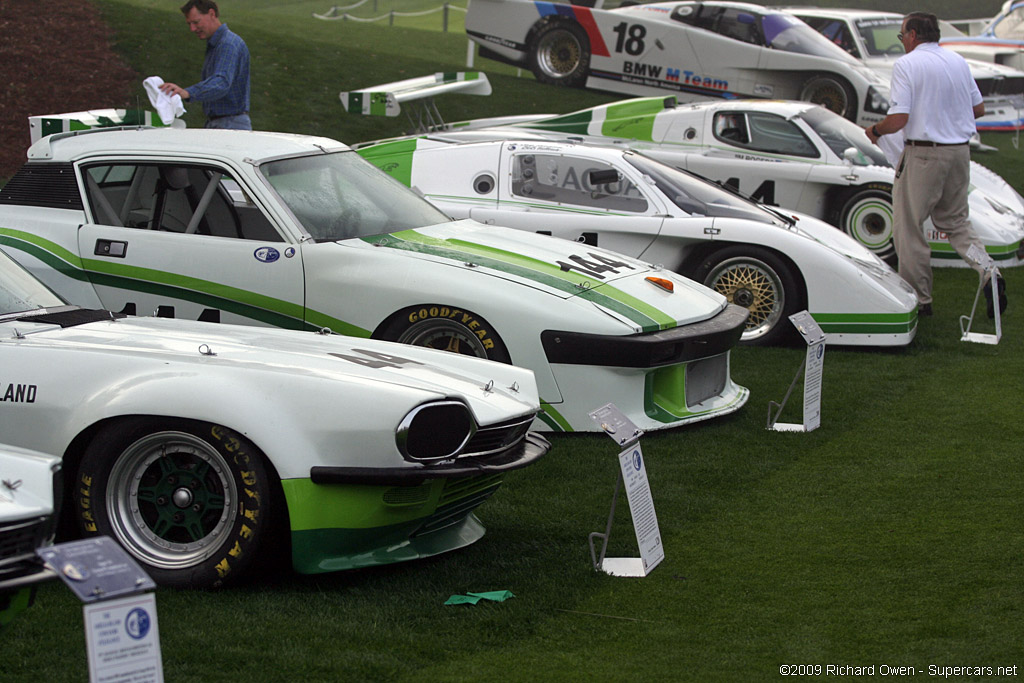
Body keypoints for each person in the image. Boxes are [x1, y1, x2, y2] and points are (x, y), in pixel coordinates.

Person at [864, 12, 1006, 318]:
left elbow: (898, 119)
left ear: (913, 35)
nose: (902, 42)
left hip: (923, 155)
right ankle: (988, 270)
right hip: (959, 152)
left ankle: (920, 300)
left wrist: (875, 131)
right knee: (956, 223)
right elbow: (977, 108)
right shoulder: (957, 61)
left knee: (909, 228)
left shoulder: (907, 64)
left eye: (902, 36)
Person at [159, 0, 251, 131]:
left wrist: (187, 93)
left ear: (211, 14)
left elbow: (221, 83)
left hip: (230, 124)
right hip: (220, 123)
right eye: (189, 24)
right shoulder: (217, 44)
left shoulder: (227, 44)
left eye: (196, 22)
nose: (192, 29)